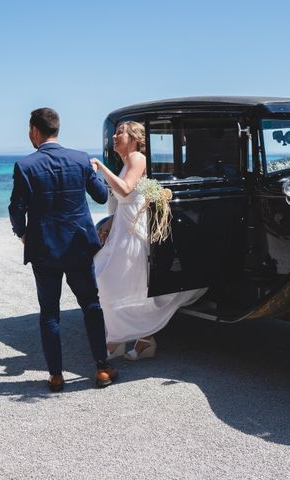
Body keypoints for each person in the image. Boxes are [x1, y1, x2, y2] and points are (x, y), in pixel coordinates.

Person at [9, 107, 117, 391]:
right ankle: (102, 370)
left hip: (44, 250)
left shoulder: (25, 166)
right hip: (79, 246)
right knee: (91, 306)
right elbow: (102, 195)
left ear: (34, 130)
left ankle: (56, 376)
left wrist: (22, 234)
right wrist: (92, 173)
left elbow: (16, 209)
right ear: (56, 129)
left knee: (49, 313)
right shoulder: (80, 159)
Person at [91, 121, 206, 360]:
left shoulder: (137, 158)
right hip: (124, 226)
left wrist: (101, 167)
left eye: (120, 132)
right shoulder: (127, 161)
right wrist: (112, 222)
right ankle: (128, 339)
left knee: (117, 282)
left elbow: (124, 190)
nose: (114, 136)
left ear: (134, 138)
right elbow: (132, 199)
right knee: (117, 282)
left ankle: (128, 340)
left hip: (133, 232)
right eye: (115, 132)